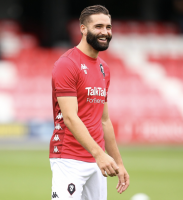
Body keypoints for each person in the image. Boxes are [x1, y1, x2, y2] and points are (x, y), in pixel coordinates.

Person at [49, 5, 129, 200]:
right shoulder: (67, 64)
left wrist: (118, 162)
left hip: (96, 161)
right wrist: (99, 154)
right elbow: (70, 117)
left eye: (108, 27)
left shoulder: (104, 68)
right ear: (83, 29)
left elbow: (104, 120)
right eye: (98, 26)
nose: (105, 32)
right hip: (68, 159)